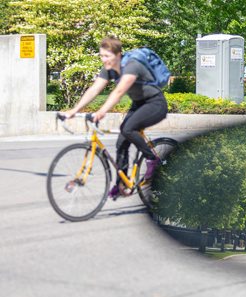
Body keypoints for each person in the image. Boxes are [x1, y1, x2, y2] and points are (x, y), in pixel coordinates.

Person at [64, 36, 168, 198]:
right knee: (121, 143)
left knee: (127, 129)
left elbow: (119, 91)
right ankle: (122, 184)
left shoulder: (132, 66)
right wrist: (74, 110)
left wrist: (101, 111)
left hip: (155, 104)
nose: (103, 60)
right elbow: (94, 89)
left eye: (107, 56)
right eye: (101, 56)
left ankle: (152, 159)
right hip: (139, 104)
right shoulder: (109, 69)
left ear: (118, 54)